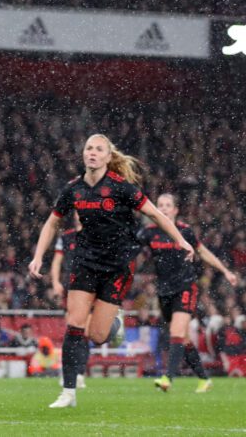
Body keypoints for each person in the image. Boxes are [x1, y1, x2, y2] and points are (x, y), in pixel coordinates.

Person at [28, 134, 195, 409]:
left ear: (108, 157)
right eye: (88, 148)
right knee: (74, 324)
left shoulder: (121, 188)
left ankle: (114, 325)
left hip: (117, 267)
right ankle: (68, 392)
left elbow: (155, 214)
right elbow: (51, 224)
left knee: (97, 335)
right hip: (84, 263)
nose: (92, 153)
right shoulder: (73, 189)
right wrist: (37, 257)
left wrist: (180, 239)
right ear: (83, 155)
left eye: (98, 149)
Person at [139, 193, 238, 393]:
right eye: (160, 205)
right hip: (164, 291)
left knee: (176, 332)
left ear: (175, 210)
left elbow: (203, 252)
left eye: (168, 205)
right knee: (182, 338)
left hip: (185, 286)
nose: (164, 208)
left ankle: (168, 378)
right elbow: (132, 254)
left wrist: (225, 271)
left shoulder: (185, 231)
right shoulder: (148, 233)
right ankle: (204, 379)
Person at [50, 213, 86, 388]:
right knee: (73, 330)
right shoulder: (66, 237)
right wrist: (55, 282)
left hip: (90, 286)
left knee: (85, 332)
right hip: (71, 286)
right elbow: (57, 261)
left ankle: (79, 372)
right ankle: (72, 373)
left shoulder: (95, 233)